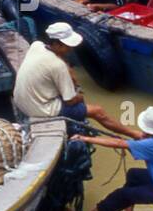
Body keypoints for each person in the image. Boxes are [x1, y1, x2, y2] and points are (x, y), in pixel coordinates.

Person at [13, 22, 142, 136]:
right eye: (67, 45)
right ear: (56, 44)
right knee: (98, 111)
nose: (70, 49)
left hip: (21, 101)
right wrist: (79, 95)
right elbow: (69, 100)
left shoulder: (37, 45)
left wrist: (69, 72)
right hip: (41, 110)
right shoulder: (58, 66)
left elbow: (59, 64)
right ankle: (133, 133)